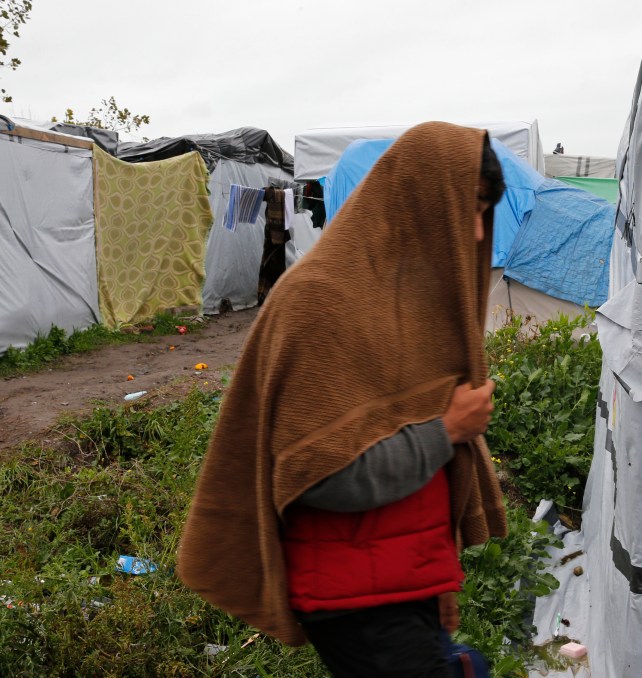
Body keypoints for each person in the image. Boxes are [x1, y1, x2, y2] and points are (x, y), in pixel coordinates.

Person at [177, 121, 509, 678]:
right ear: (423, 200)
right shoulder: (322, 301)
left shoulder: (403, 302)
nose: (478, 234)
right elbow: (319, 473)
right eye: (470, 207)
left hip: (404, 574)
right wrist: (446, 430)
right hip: (357, 596)